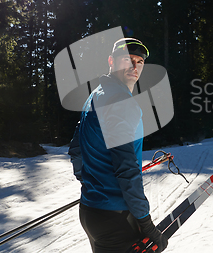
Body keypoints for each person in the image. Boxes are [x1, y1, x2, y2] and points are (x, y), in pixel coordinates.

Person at [69, 38, 169, 253]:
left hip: (91, 213)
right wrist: (146, 223)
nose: (134, 66)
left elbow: (76, 150)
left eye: (139, 61)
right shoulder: (121, 102)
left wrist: (92, 184)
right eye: (127, 59)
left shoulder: (95, 96)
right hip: (116, 218)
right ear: (111, 61)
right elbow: (126, 169)